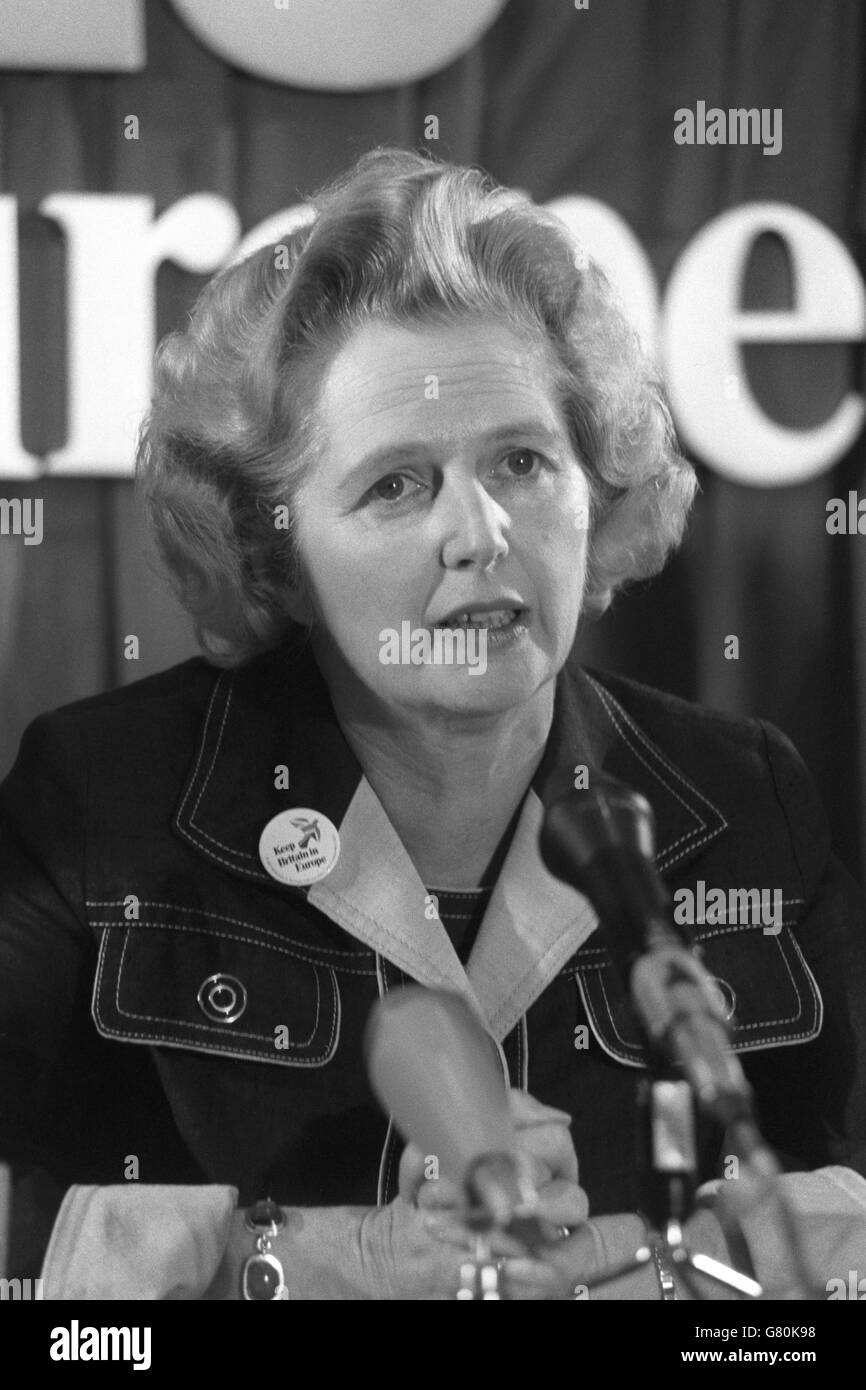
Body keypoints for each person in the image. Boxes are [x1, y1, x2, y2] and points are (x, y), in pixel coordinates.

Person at [2, 147, 866, 1300]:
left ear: (593, 487)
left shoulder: (741, 794)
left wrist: (681, 1279)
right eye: (396, 485)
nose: (480, 533)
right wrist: (314, 1262)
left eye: (519, 460)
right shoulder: (97, 798)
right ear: (276, 553)